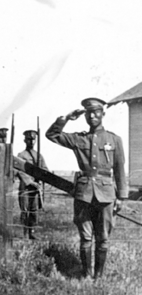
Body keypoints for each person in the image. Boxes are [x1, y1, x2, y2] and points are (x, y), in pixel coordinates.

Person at [46, 97, 127, 279]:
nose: (92, 116)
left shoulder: (114, 139)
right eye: (88, 113)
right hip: (84, 194)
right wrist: (66, 118)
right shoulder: (78, 138)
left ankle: (98, 276)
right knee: (86, 237)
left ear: (103, 114)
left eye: (96, 112)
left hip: (106, 194)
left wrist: (121, 196)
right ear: (85, 116)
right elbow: (52, 135)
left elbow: (120, 168)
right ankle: (86, 275)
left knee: (103, 238)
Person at [16, 130, 48, 240]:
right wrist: (31, 182)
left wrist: (42, 178)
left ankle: (32, 232)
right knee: (25, 210)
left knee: (34, 211)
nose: (31, 141)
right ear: (25, 140)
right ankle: (25, 233)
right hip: (26, 187)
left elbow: (45, 170)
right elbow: (20, 171)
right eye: (29, 139)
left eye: (33, 139)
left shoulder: (39, 156)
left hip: (36, 189)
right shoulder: (21, 155)